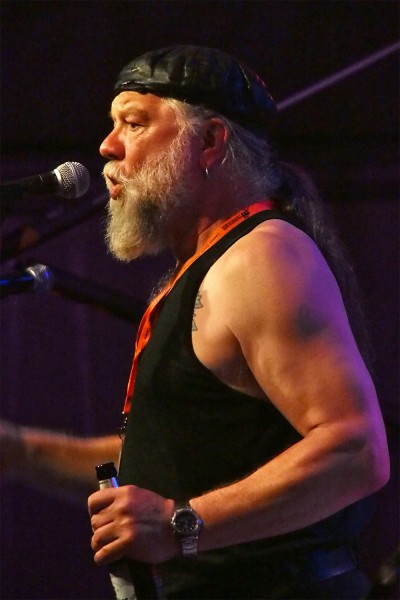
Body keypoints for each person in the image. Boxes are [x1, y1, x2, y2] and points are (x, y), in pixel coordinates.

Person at [0, 46, 390, 599]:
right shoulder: (209, 267)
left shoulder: (261, 257)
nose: (107, 147)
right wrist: (22, 451)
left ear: (208, 142)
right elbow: (177, 457)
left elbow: (356, 452)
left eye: (133, 123)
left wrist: (183, 523)